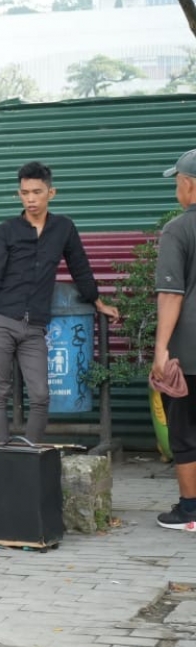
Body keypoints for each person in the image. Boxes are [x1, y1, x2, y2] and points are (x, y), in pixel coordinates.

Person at [0, 161, 119, 443]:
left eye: (37, 192)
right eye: (25, 192)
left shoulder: (63, 228)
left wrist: (97, 302)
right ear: (19, 194)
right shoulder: (6, 230)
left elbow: (80, 267)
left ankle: (29, 454)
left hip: (35, 326)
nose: (30, 198)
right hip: (3, 320)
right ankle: (3, 453)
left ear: (51, 193)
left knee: (40, 394)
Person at [152, 148, 196, 532]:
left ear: (188, 185)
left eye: (177, 182)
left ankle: (189, 509)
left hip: (189, 351)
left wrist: (161, 350)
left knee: (183, 428)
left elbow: (171, 294)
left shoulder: (178, 229)